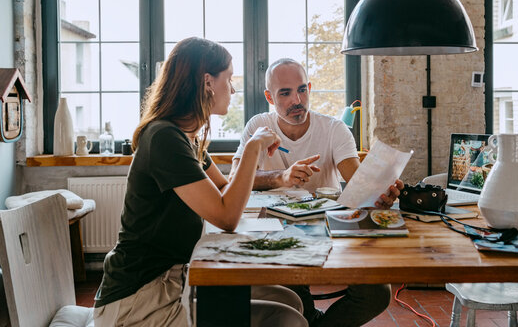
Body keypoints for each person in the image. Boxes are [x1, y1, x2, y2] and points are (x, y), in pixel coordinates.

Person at [93, 38, 308, 327]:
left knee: (290, 301)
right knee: (285, 319)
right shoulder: (164, 138)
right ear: (208, 82)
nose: (232, 89)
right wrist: (252, 148)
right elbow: (226, 216)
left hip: (176, 280)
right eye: (229, 79)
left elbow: (223, 189)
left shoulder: (185, 138)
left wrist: (275, 176)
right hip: (139, 299)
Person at [230, 58, 404, 327]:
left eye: (302, 90)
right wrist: (281, 177)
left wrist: (379, 193)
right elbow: (235, 179)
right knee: (292, 295)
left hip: (330, 233)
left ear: (310, 88)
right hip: (276, 236)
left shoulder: (334, 129)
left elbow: (357, 181)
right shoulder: (258, 126)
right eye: (285, 93)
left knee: (377, 293)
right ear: (269, 96)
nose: (296, 100)